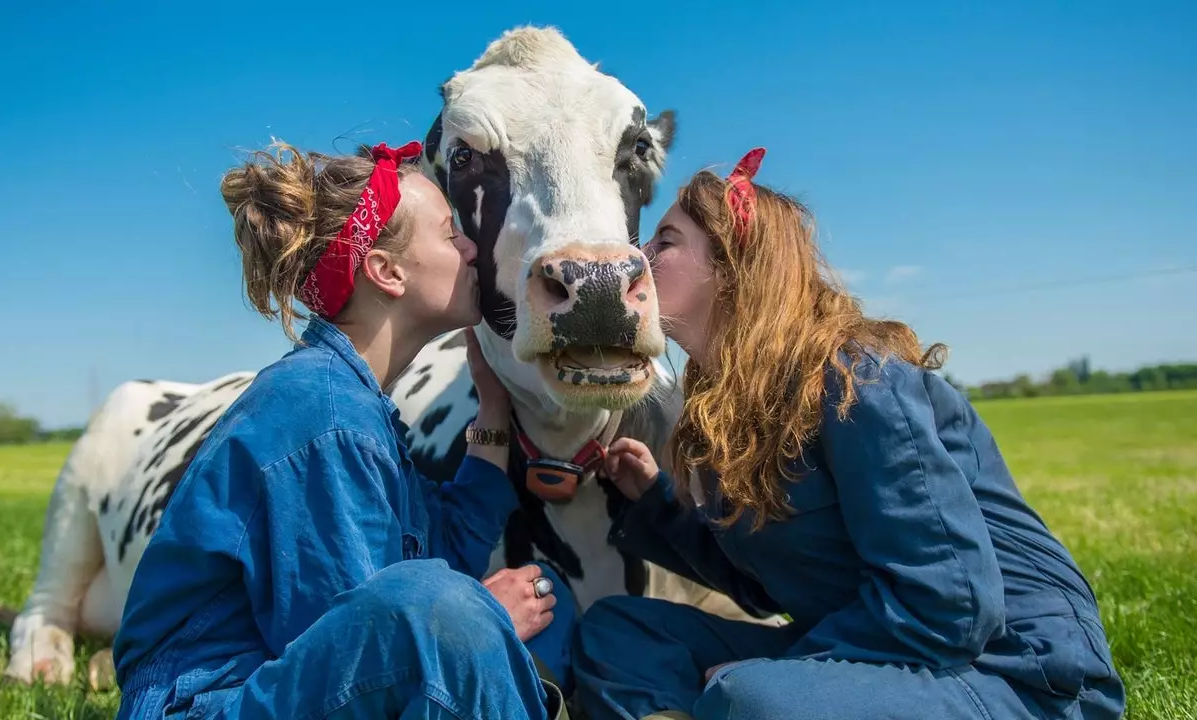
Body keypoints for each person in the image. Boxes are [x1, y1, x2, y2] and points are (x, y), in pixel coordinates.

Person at [573, 148, 1125, 720]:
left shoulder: (857, 381)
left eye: (664, 241)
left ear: (732, 264)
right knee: (620, 632)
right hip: (882, 655)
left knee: (754, 700)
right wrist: (656, 503)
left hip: (1014, 671)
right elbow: (765, 586)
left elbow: (951, 605)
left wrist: (774, 675)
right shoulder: (731, 410)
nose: (639, 258)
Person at [112, 140, 574, 720]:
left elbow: (443, 549)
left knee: (537, 594)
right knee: (445, 606)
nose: (470, 249)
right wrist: (484, 615)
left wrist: (493, 413)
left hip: (276, 692)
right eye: (447, 232)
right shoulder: (322, 415)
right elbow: (364, 639)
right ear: (387, 272)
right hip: (209, 703)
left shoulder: (356, 404)